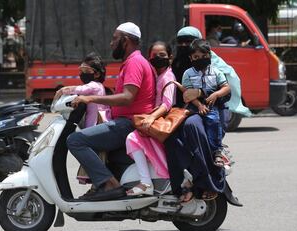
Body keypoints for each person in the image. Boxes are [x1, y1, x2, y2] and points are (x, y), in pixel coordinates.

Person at [66, 22, 156, 201]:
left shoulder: (135, 63)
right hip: (126, 121)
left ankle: (108, 184)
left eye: (115, 39)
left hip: (128, 123)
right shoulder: (132, 61)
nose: (111, 43)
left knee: (75, 140)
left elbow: (128, 97)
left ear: (127, 40)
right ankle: (104, 183)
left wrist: (90, 98)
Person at [166, 26, 248, 202]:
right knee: (172, 141)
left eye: (188, 41)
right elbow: (183, 93)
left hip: (214, 111)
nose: (184, 45)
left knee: (193, 128)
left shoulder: (216, 67)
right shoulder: (179, 65)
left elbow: (225, 92)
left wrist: (201, 94)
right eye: (180, 42)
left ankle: (210, 179)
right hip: (185, 111)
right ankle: (182, 184)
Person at [125, 41, 176, 196]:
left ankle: (146, 182)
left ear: (170, 58)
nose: (158, 58)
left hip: (159, 121)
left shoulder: (168, 78)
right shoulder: (157, 75)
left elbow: (166, 104)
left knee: (131, 138)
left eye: (162, 55)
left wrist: (151, 117)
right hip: (155, 119)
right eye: (154, 56)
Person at [181, 39, 231, 167]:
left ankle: (217, 151)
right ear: (191, 58)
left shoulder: (216, 72)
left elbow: (226, 88)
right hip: (194, 104)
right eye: (196, 57)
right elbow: (187, 93)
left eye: (204, 56)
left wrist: (216, 94)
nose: (200, 59)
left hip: (211, 105)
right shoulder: (188, 73)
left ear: (209, 55)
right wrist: (199, 105)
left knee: (214, 121)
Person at [54, 52, 111, 128]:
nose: (82, 74)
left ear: (97, 74)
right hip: (98, 125)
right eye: (81, 70)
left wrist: (62, 90)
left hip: (94, 126)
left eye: (86, 71)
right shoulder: (99, 86)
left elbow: (80, 89)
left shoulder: (95, 85)